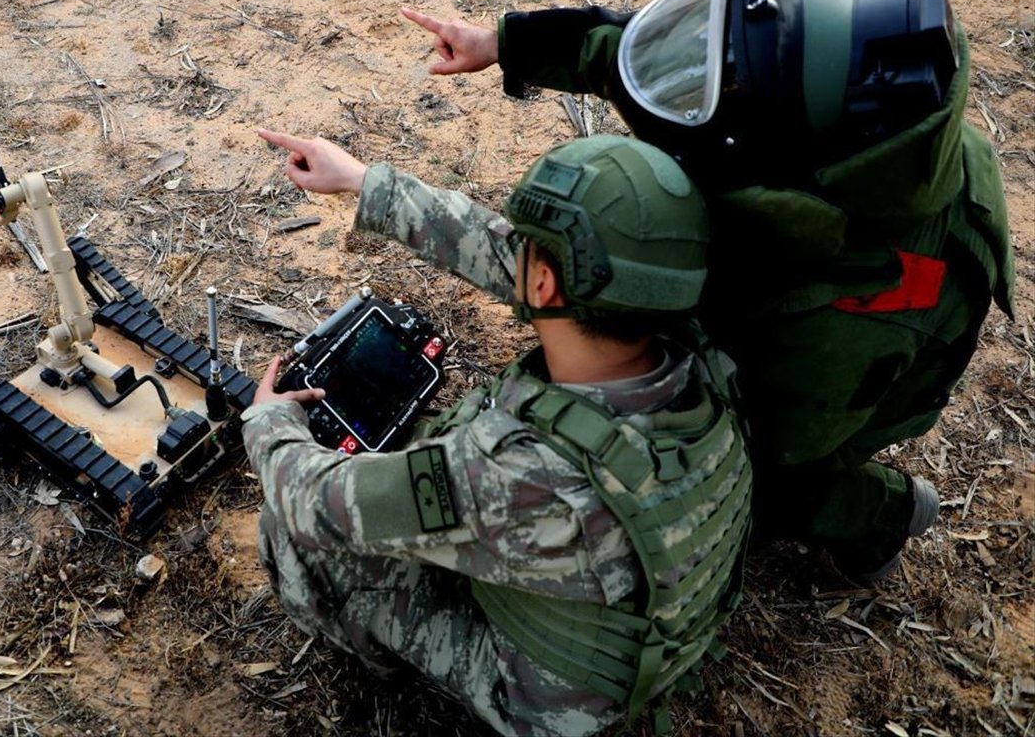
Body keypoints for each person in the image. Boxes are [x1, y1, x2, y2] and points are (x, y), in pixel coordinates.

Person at [400, 0, 1014, 583]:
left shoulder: (854, 311)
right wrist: (507, 44)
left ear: (780, 170)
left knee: (748, 477)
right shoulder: (841, 102)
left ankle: (880, 514)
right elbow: (674, 63)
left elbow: (775, 440)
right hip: (815, 289)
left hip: (861, 383)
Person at [244, 130, 753, 735]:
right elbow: (495, 251)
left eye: (526, 249)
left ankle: (380, 667)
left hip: (558, 703)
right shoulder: (699, 354)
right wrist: (364, 182)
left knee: (291, 533)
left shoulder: (518, 474)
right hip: (642, 633)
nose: (513, 255)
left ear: (541, 286)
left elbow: (313, 502)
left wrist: (271, 421)